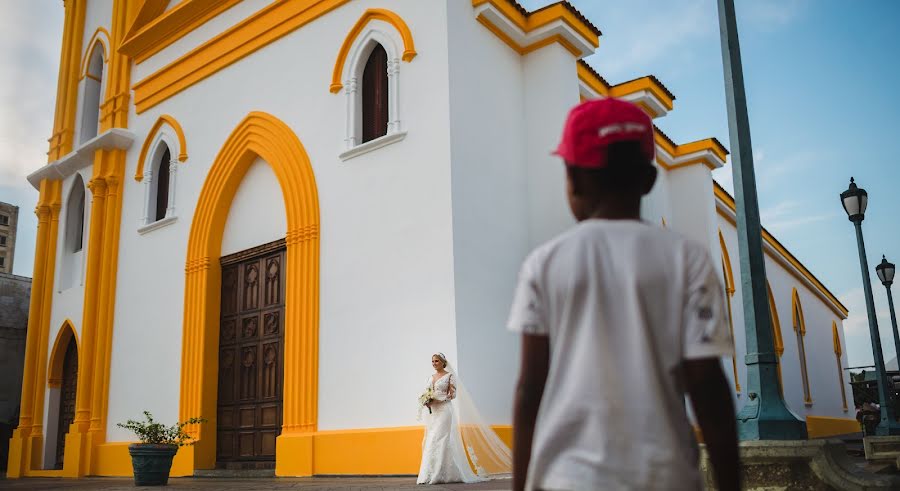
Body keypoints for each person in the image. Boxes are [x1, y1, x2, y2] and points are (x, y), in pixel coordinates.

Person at [507, 98, 740, 491]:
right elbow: (708, 389)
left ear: (574, 180)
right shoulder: (687, 259)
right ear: (648, 182)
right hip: (665, 476)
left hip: (566, 479)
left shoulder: (543, 264)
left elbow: (530, 386)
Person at [417, 353, 491, 485]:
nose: (434, 363)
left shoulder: (449, 376)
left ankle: (439, 475)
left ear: (443, 362)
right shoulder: (430, 377)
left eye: (437, 361)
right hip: (433, 412)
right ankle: (428, 474)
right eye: (433, 361)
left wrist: (438, 399)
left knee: (441, 438)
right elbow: (427, 392)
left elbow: (453, 395)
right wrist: (426, 400)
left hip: (445, 411)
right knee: (431, 439)